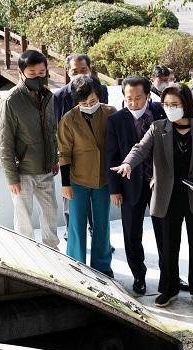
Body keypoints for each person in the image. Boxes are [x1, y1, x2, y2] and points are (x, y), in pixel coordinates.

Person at [111, 83, 193, 309]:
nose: (170, 109)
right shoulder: (158, 127)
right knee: (169, 245)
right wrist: (127, 163)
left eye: (175, 104)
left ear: (186, 105)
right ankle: (168, 289)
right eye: (166, 104)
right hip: (166, 196)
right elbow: (140, 148)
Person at [105, 76, 166, 293]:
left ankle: (168, 276)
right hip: (130, 185)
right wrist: (114, 189)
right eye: (129, 98)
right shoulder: (116, 120)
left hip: (160, 184)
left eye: (138, 98)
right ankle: (138, 275)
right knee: (131, 234)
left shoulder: (161, 112)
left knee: (165, 232)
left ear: (148, 96)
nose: (133, 103)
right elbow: (111, 156)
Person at [0, 50, 59, 248]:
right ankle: (27, 254)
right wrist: (11, 177)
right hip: (23, 171)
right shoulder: (10, 101)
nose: (38, 77)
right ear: (21, 73)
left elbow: (51, 130)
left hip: (46, 168)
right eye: (32, 74)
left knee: (50, 215)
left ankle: (53, 251)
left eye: (42, 73)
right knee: (24, 221)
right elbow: (4, 143)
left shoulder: (48, 96)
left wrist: (54, 159)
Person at [58, 75, 117, 276]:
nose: (89, 105)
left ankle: (102, 266)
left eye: (92, 101)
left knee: (102, 224)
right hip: (77, 180)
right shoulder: (68, 119)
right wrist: (65, 184)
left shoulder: (111, 113)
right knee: (76, 224)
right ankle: (76, 265)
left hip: (103, 179)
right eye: (84, 103)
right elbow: (64, 154)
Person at [53, 53, 109, 123]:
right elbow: (58, 125)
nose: (79, 75)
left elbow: (104, 117)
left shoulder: (102, 90)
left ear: (89, 70)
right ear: (68, 72)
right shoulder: (58, 96)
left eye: (83, 71)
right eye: (75, 72)